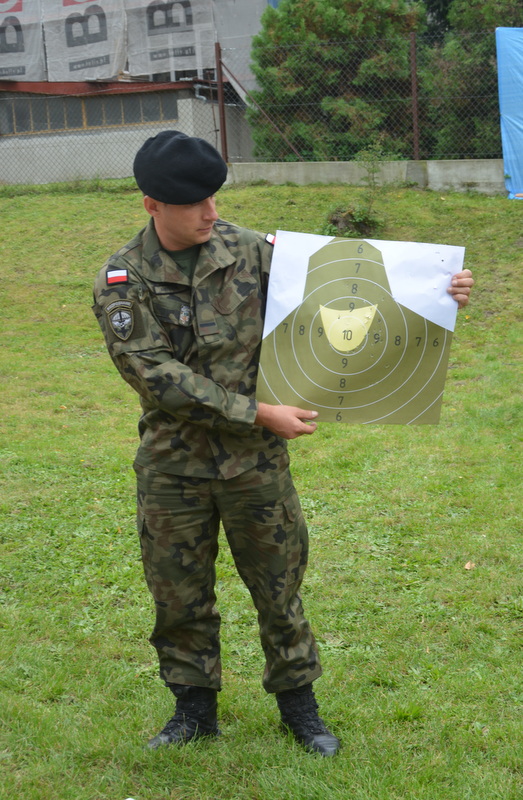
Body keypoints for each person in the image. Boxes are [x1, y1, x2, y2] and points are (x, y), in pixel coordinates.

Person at [92, 130, 474, 757]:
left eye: (214, 198)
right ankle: (193, 712)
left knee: (279, 587)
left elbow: (346, 291)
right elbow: (155, 375)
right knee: (178, 595)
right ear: (152, 204)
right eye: (194, 203)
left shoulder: (251, 251)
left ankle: (300, 709)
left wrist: (437, 293)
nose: (210, 212)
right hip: (173, 467)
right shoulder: (122, 279)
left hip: (255, 464)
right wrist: (259, 413)